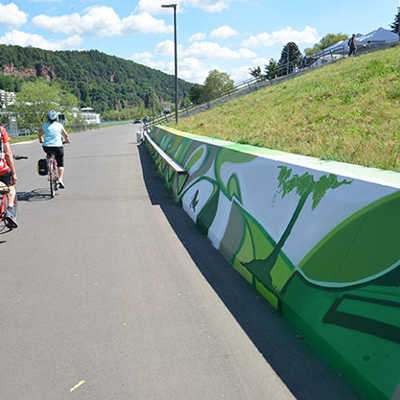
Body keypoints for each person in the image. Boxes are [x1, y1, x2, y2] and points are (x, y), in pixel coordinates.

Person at [38, 110, 70, 188]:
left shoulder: (44, 125)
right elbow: (66, 135)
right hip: (58, 146)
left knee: (49, 155)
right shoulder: (59, 125)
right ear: (56, 118)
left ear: (47, 118)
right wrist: (66, 141)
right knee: (60, 163)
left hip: (47, 147)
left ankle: (49, 168)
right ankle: (60, 180)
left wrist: (41, 140)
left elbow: (39, 134)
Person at [0, 124, 18, 228]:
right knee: (10, 187)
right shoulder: (1, 130)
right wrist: (14, 173)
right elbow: (7, 153)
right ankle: (10, 211)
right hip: (1, 168)